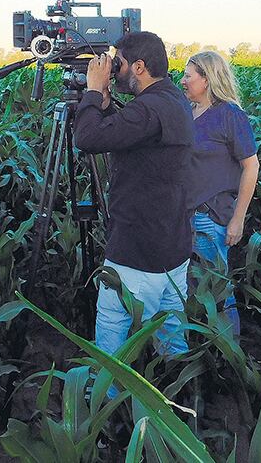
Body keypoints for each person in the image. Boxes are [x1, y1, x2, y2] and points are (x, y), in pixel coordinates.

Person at [73, 31, 194, 359]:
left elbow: (87, 138)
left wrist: (93, 92)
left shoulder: (148, 109)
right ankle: (177, 385)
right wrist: (106, 106)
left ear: (139, 67)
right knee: (172, 339)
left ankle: (108, 389)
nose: (114, 69)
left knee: (113, 330)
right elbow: (129, 133)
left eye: (119, 63)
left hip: (137, 253)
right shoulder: (171, 99)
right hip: (172, 246)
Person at [180, 51, 259, 335]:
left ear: (207, 79)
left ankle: (229, 352)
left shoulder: (230, 115)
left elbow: (251, 166)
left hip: (209, 218)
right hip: (182, 217)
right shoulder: (187, 112)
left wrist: (238, 219)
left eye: (188, 76)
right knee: (186, 291)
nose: (183, 81)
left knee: (217, 293)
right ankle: (197, 349)